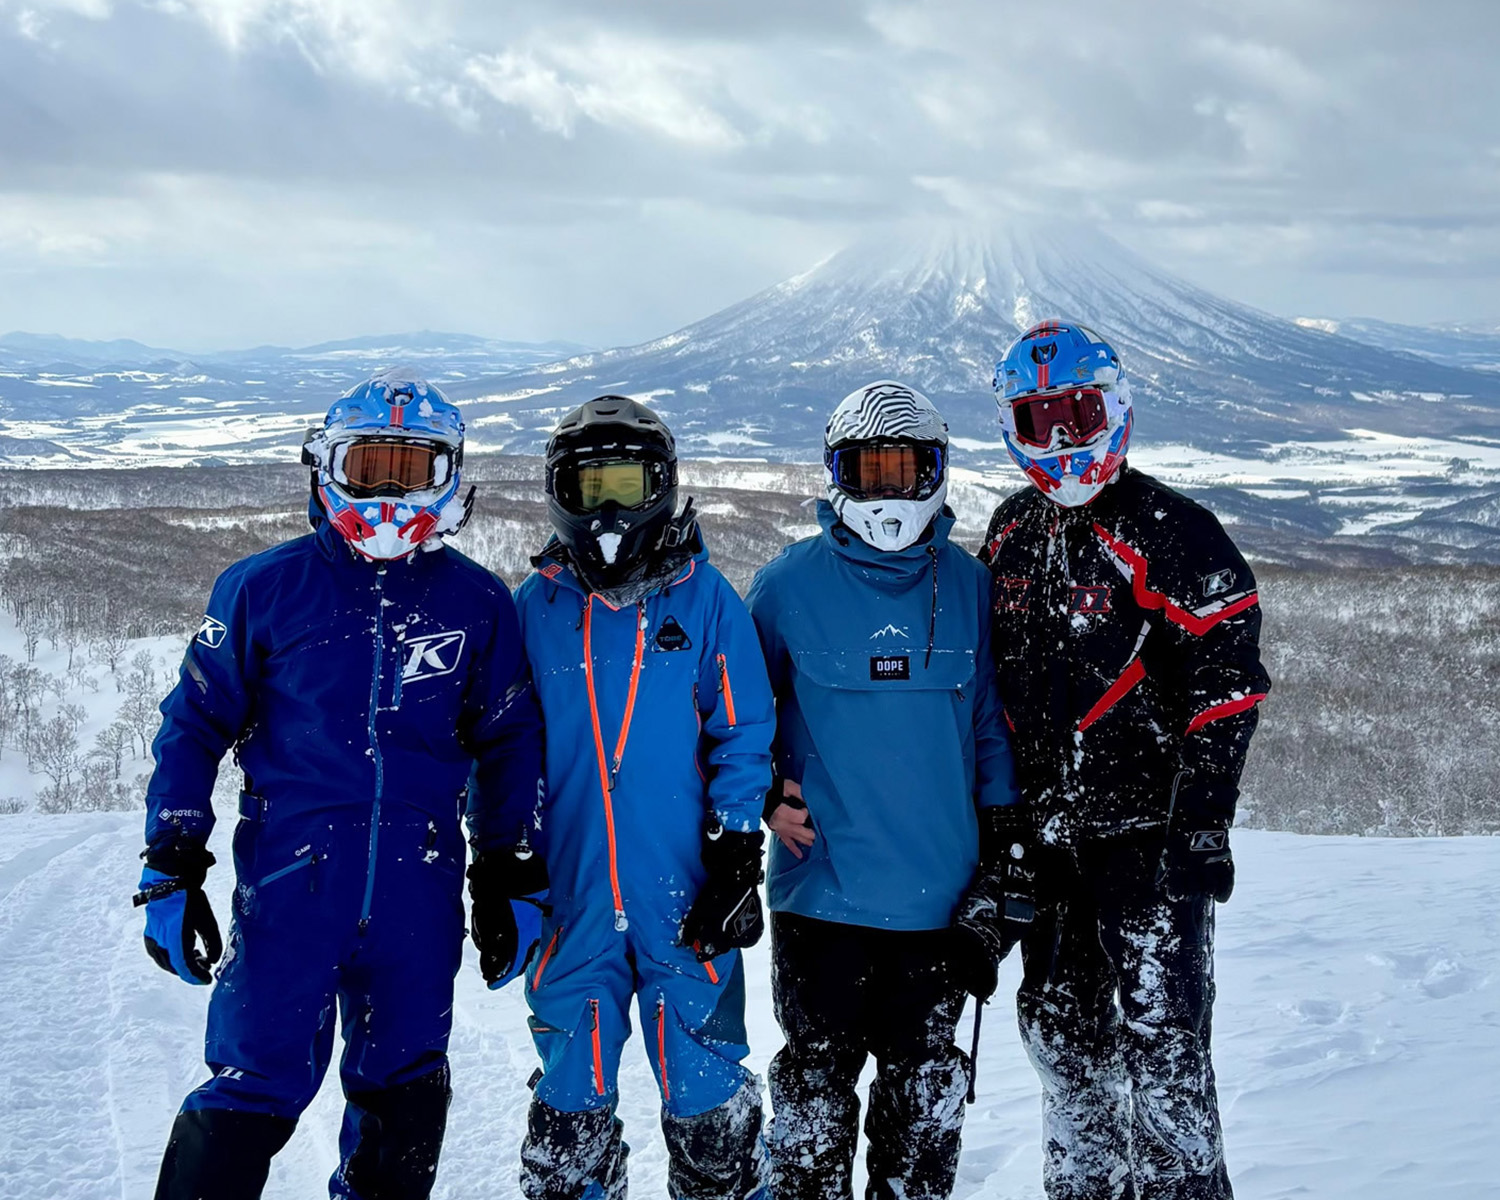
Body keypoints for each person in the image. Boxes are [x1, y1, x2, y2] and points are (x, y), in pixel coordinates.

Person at [136, 371, 543, 1200]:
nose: (391, 491)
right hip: (292, 883)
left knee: (405, 1089)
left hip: (418, 891)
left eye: (413, 469)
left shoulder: (477, 602)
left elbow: (508, 739)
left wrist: (512, 870)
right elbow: (196, 721)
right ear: (327, 466)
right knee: (253, 1084)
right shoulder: (263, 588)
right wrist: (172, 859)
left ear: (450, 475)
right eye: (370, 468)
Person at [981, 321, 1272, 1200]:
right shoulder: (1010, 532)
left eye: (1079, 415)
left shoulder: (1169, 529)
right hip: (1049, 836)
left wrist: (1204, 818)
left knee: (1165, 1041)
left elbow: (1229, 677)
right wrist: (996, 826)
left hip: (1149, 835)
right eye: (1040, 422)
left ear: (1116, 410)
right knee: (1062, 1038)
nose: (1064, 441)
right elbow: (987, 680)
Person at [745, 380, 1030, 1200]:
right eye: (867, 472)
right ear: (837, 476)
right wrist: (765, 791)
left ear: (935, 472)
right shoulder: (785, 585)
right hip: (820, 897)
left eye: (906, 471)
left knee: (921, 1136)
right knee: (809, 1124)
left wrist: (1005, 855)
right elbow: (736, 715)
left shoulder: (972, 587)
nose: (887, 492)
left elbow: (988, 729)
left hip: (938, 907)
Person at [510, 395, 775, 1200]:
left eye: (629, 484)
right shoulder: (537, 609)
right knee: (569, 1101)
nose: (613, 510)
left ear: (662, 485)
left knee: (706, 1098)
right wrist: (505, 861)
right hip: (573, 896)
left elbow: (743, 731)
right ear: (562, 492)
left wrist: (736, 851)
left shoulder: (704, 599)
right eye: (593, 489)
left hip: (686, 894)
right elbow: (502, 748)